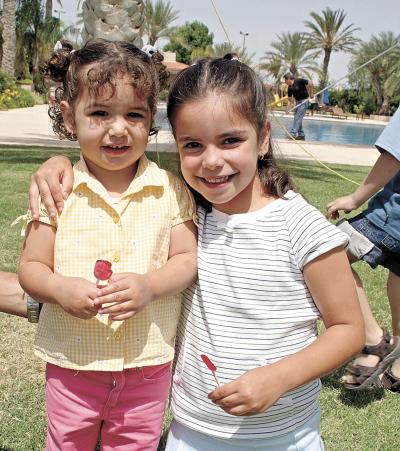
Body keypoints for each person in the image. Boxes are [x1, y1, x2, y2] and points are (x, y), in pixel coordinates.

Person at [26, 57, 363, 450]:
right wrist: (56, 163)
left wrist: (279, 378)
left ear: (264, 136)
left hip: (283, 437)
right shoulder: (190, 210)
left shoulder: (300, 226)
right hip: (191, 433)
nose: (212, 160)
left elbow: (349, 329)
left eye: (231, 140)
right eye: (192, 145)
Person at [17, 39, 197, 451]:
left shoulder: (170, 190)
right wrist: (60, 290)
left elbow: (187, 258)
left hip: (147, 363)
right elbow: (31, 267)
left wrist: (151, 285)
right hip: (73, 364)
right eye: (99, 113)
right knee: (67, 443)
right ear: (69, 117)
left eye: (133, 114)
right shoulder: (58, 189)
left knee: (137, 444)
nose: (118, 128)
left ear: (150, 117)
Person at [326, 107, 400, 391]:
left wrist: (355, 198)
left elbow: (394, 154)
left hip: (391, 217)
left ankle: (373, 340)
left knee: (325, 257)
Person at [284, 72, 313, 141]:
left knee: (298, 117)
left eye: (285, 80)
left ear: (288, 79)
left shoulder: (299, 81)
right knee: (297, 118)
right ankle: (301, 135)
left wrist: (311, 93)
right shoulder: (289, 88)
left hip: (304, 101)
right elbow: (290, 100)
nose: (284, 82)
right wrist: (287, 109)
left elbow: (310, 83)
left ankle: (293, 133)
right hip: (297, 102)